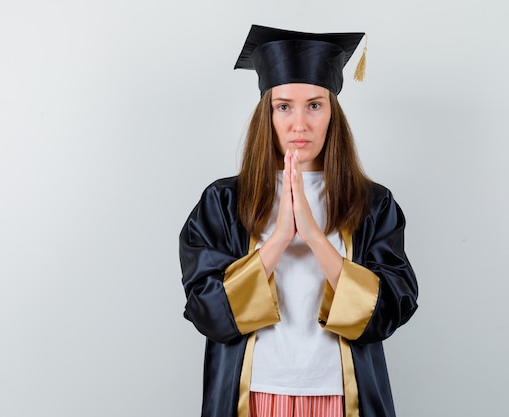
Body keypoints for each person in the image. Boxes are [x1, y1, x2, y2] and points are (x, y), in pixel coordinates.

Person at [179, 24, 418, 417]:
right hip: (252, 395)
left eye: (314, 105)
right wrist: (278, 239)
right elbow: (208, 311)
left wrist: (314, 236)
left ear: (332, 113)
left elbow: (391, 309)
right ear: (267, 114)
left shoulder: (372, 203)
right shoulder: (223, 202)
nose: (299, 124)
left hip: (342, 396)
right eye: (284, 106)